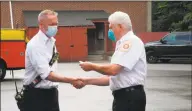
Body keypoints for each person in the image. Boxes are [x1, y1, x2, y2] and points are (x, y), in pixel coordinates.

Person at [78, 11, 147, 111]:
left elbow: (113, 70)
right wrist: (86, 81)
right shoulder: (122, 44)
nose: (109, 31)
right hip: (123, 97)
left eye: (111, 27)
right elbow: (112, 78)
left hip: (130, 98)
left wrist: (92, 66)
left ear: (120, 26)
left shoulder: (131, 42)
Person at [23, 9, 84, 111]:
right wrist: (72, 80)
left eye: (56, 24)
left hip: (51, 93)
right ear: (41, 25)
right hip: (36, 95)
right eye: (52, 24)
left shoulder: (51, 42)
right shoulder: (35, 45)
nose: (55, 27)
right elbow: (46, 75)